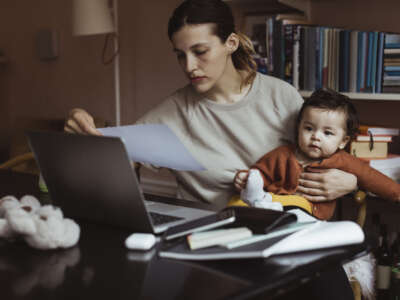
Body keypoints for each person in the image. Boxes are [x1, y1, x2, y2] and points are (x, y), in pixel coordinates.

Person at [65, 0, 358, 210]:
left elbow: (322, 156)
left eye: (200, 51)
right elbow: (116, 162)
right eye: (180, 55)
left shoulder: (282, 96)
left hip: (285, 230)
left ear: (230, 43)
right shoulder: (172, 113)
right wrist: (82, 131)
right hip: (207, 238)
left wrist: (351, 181)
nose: (189, 66)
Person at [234, 88, 400, 220]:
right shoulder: (282, 154)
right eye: (309, 128)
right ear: (298, 129)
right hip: (274, 208)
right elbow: (260, 172)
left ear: (343, 141)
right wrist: (246, 178)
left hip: (311, 216)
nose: (315, 137)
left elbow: (372, 178)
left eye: (327, 133)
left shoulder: (343, 161)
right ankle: (258, 204)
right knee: (237, 203)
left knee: (296, 204)